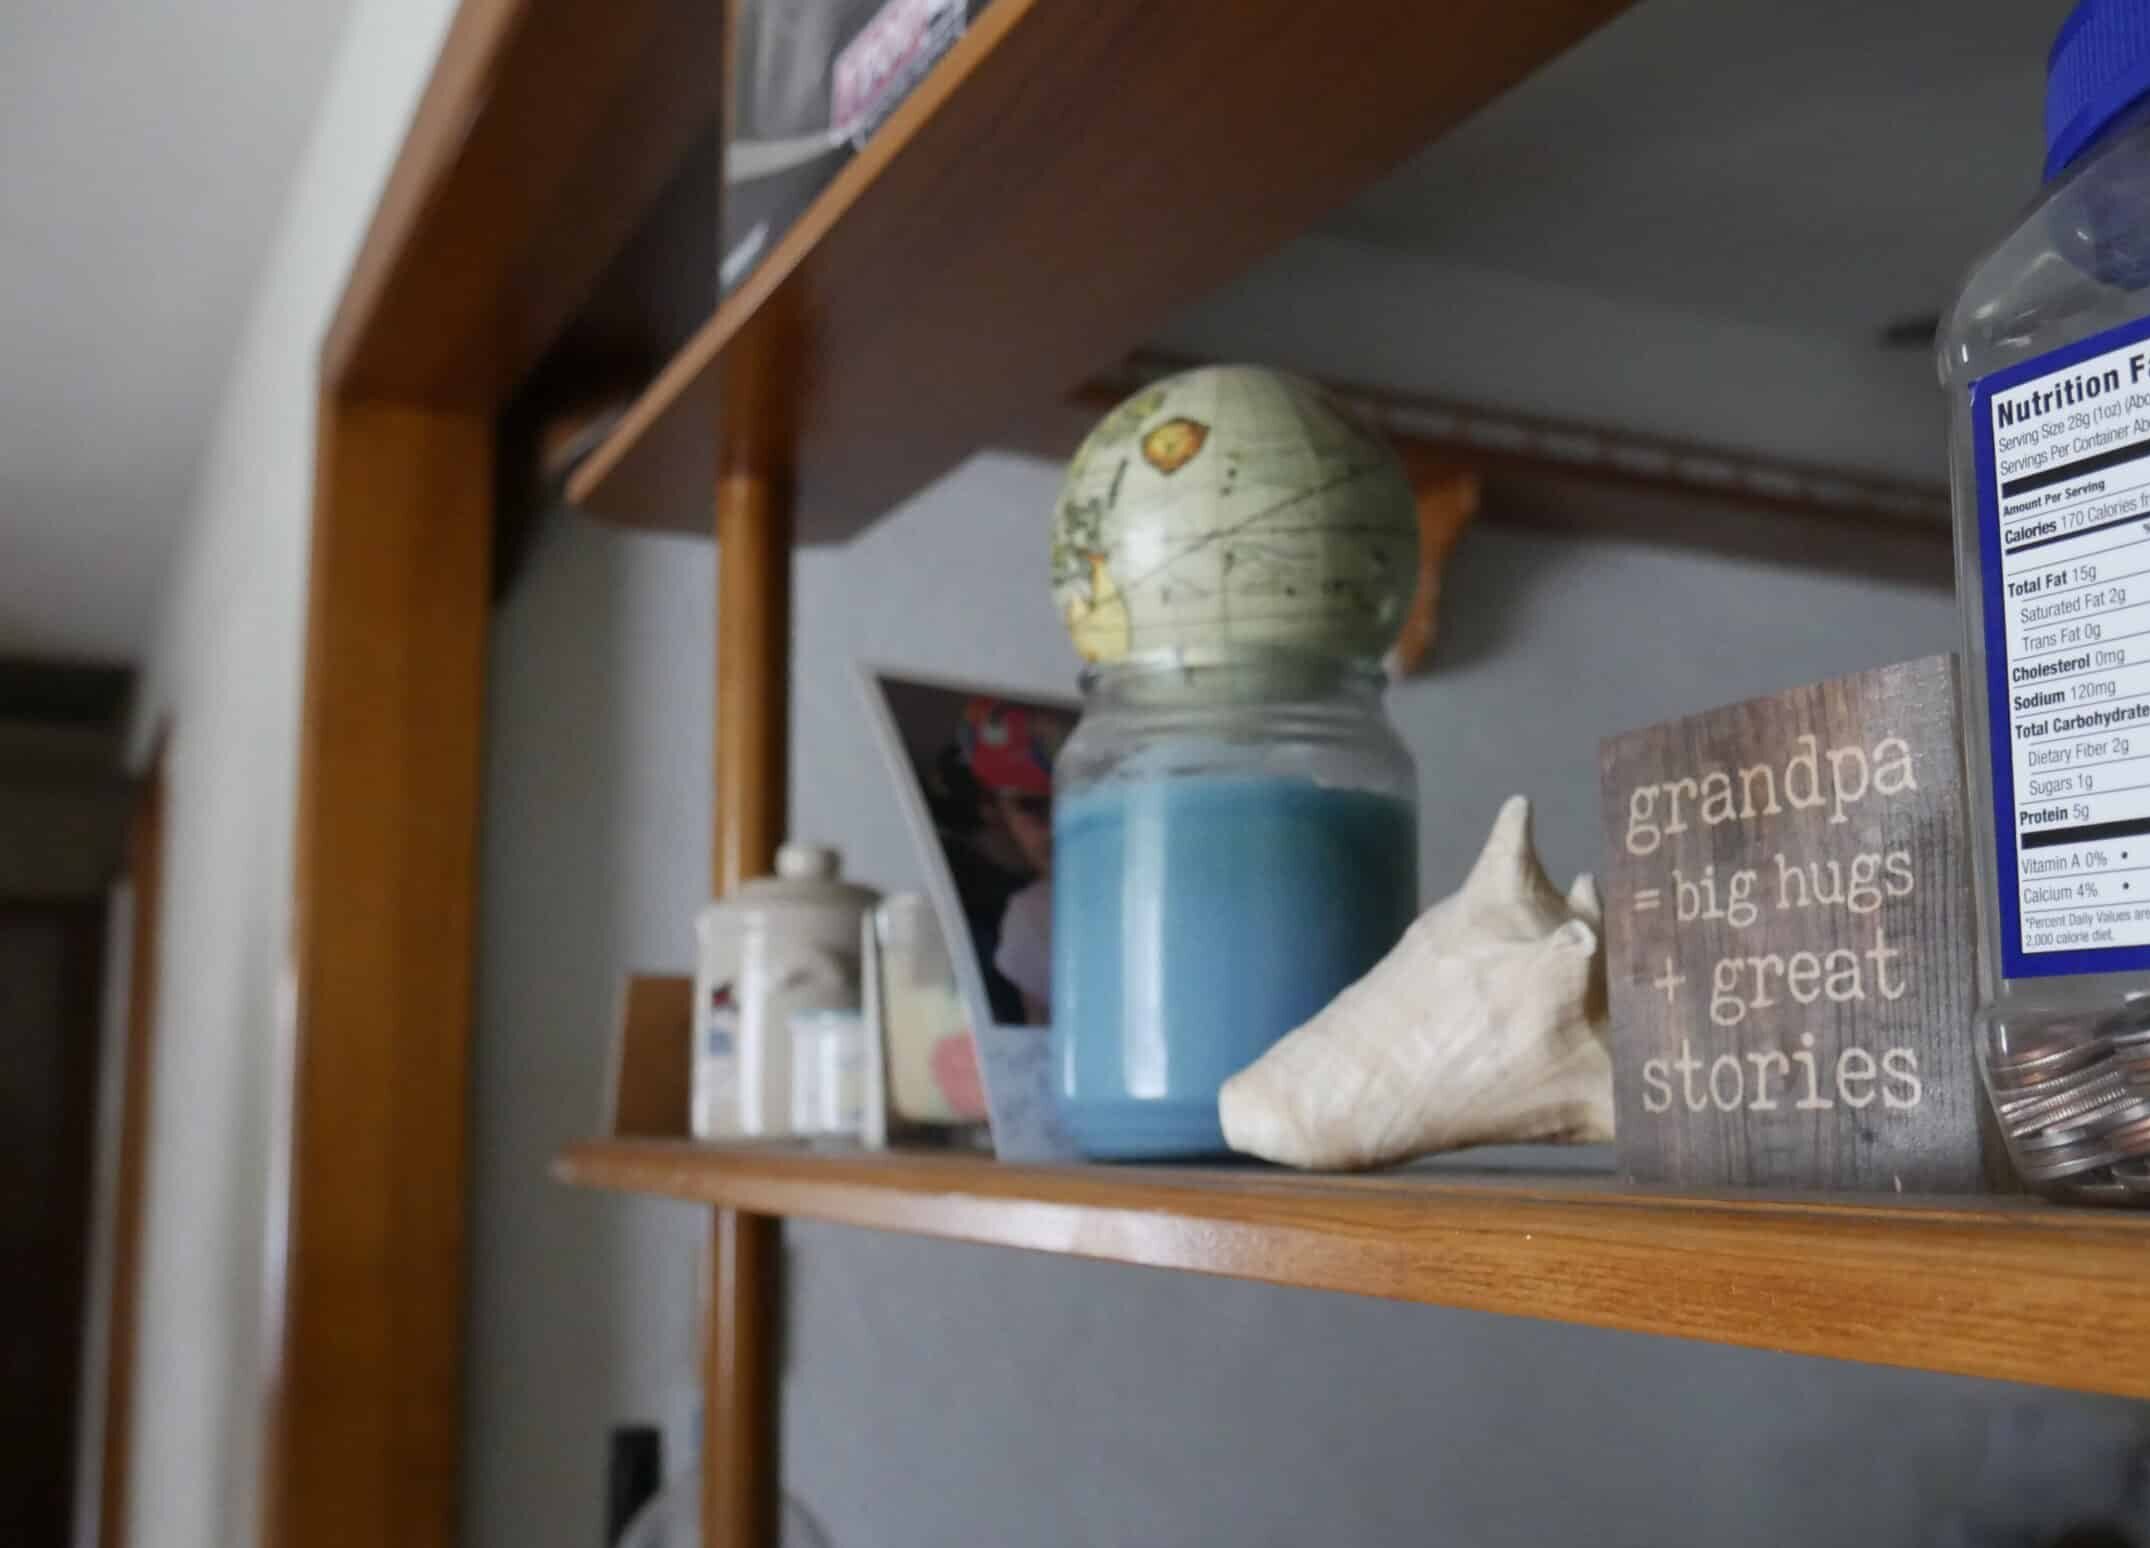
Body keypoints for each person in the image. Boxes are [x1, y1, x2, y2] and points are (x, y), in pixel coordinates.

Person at [959, 697, 1065, 1024]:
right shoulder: (1033, 915)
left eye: (1079, 799)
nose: (1064, 823)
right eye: (1033, 806)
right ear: (995, 811)